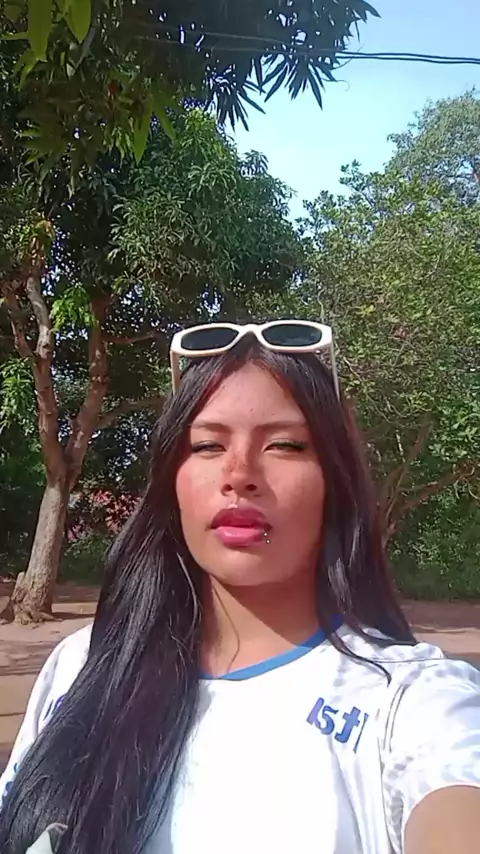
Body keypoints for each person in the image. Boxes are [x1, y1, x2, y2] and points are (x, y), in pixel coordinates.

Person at [0, 320, 479, 854]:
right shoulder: (82, 664)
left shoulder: (410, 702)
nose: (239, 473)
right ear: (171, 481)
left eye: (284, 444)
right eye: (207, 445)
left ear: (335, 479)